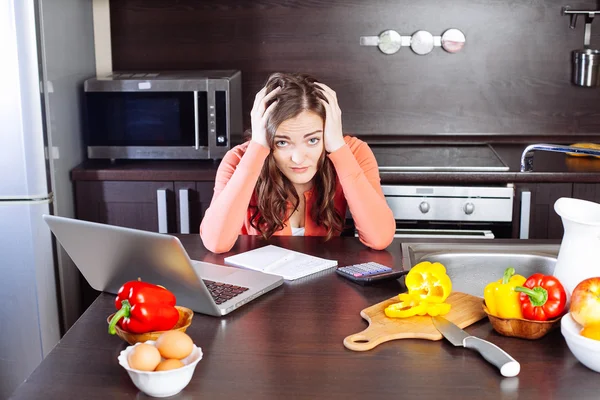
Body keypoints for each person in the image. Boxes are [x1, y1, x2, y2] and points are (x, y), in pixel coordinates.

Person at [200, 72, 395, 254]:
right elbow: (216, 243)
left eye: (312, 140)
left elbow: (379, 238)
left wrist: (337, 148)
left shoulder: (352, 152)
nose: (298, 158)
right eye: (282, 142)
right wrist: (258, 148)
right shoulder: (240, 160)